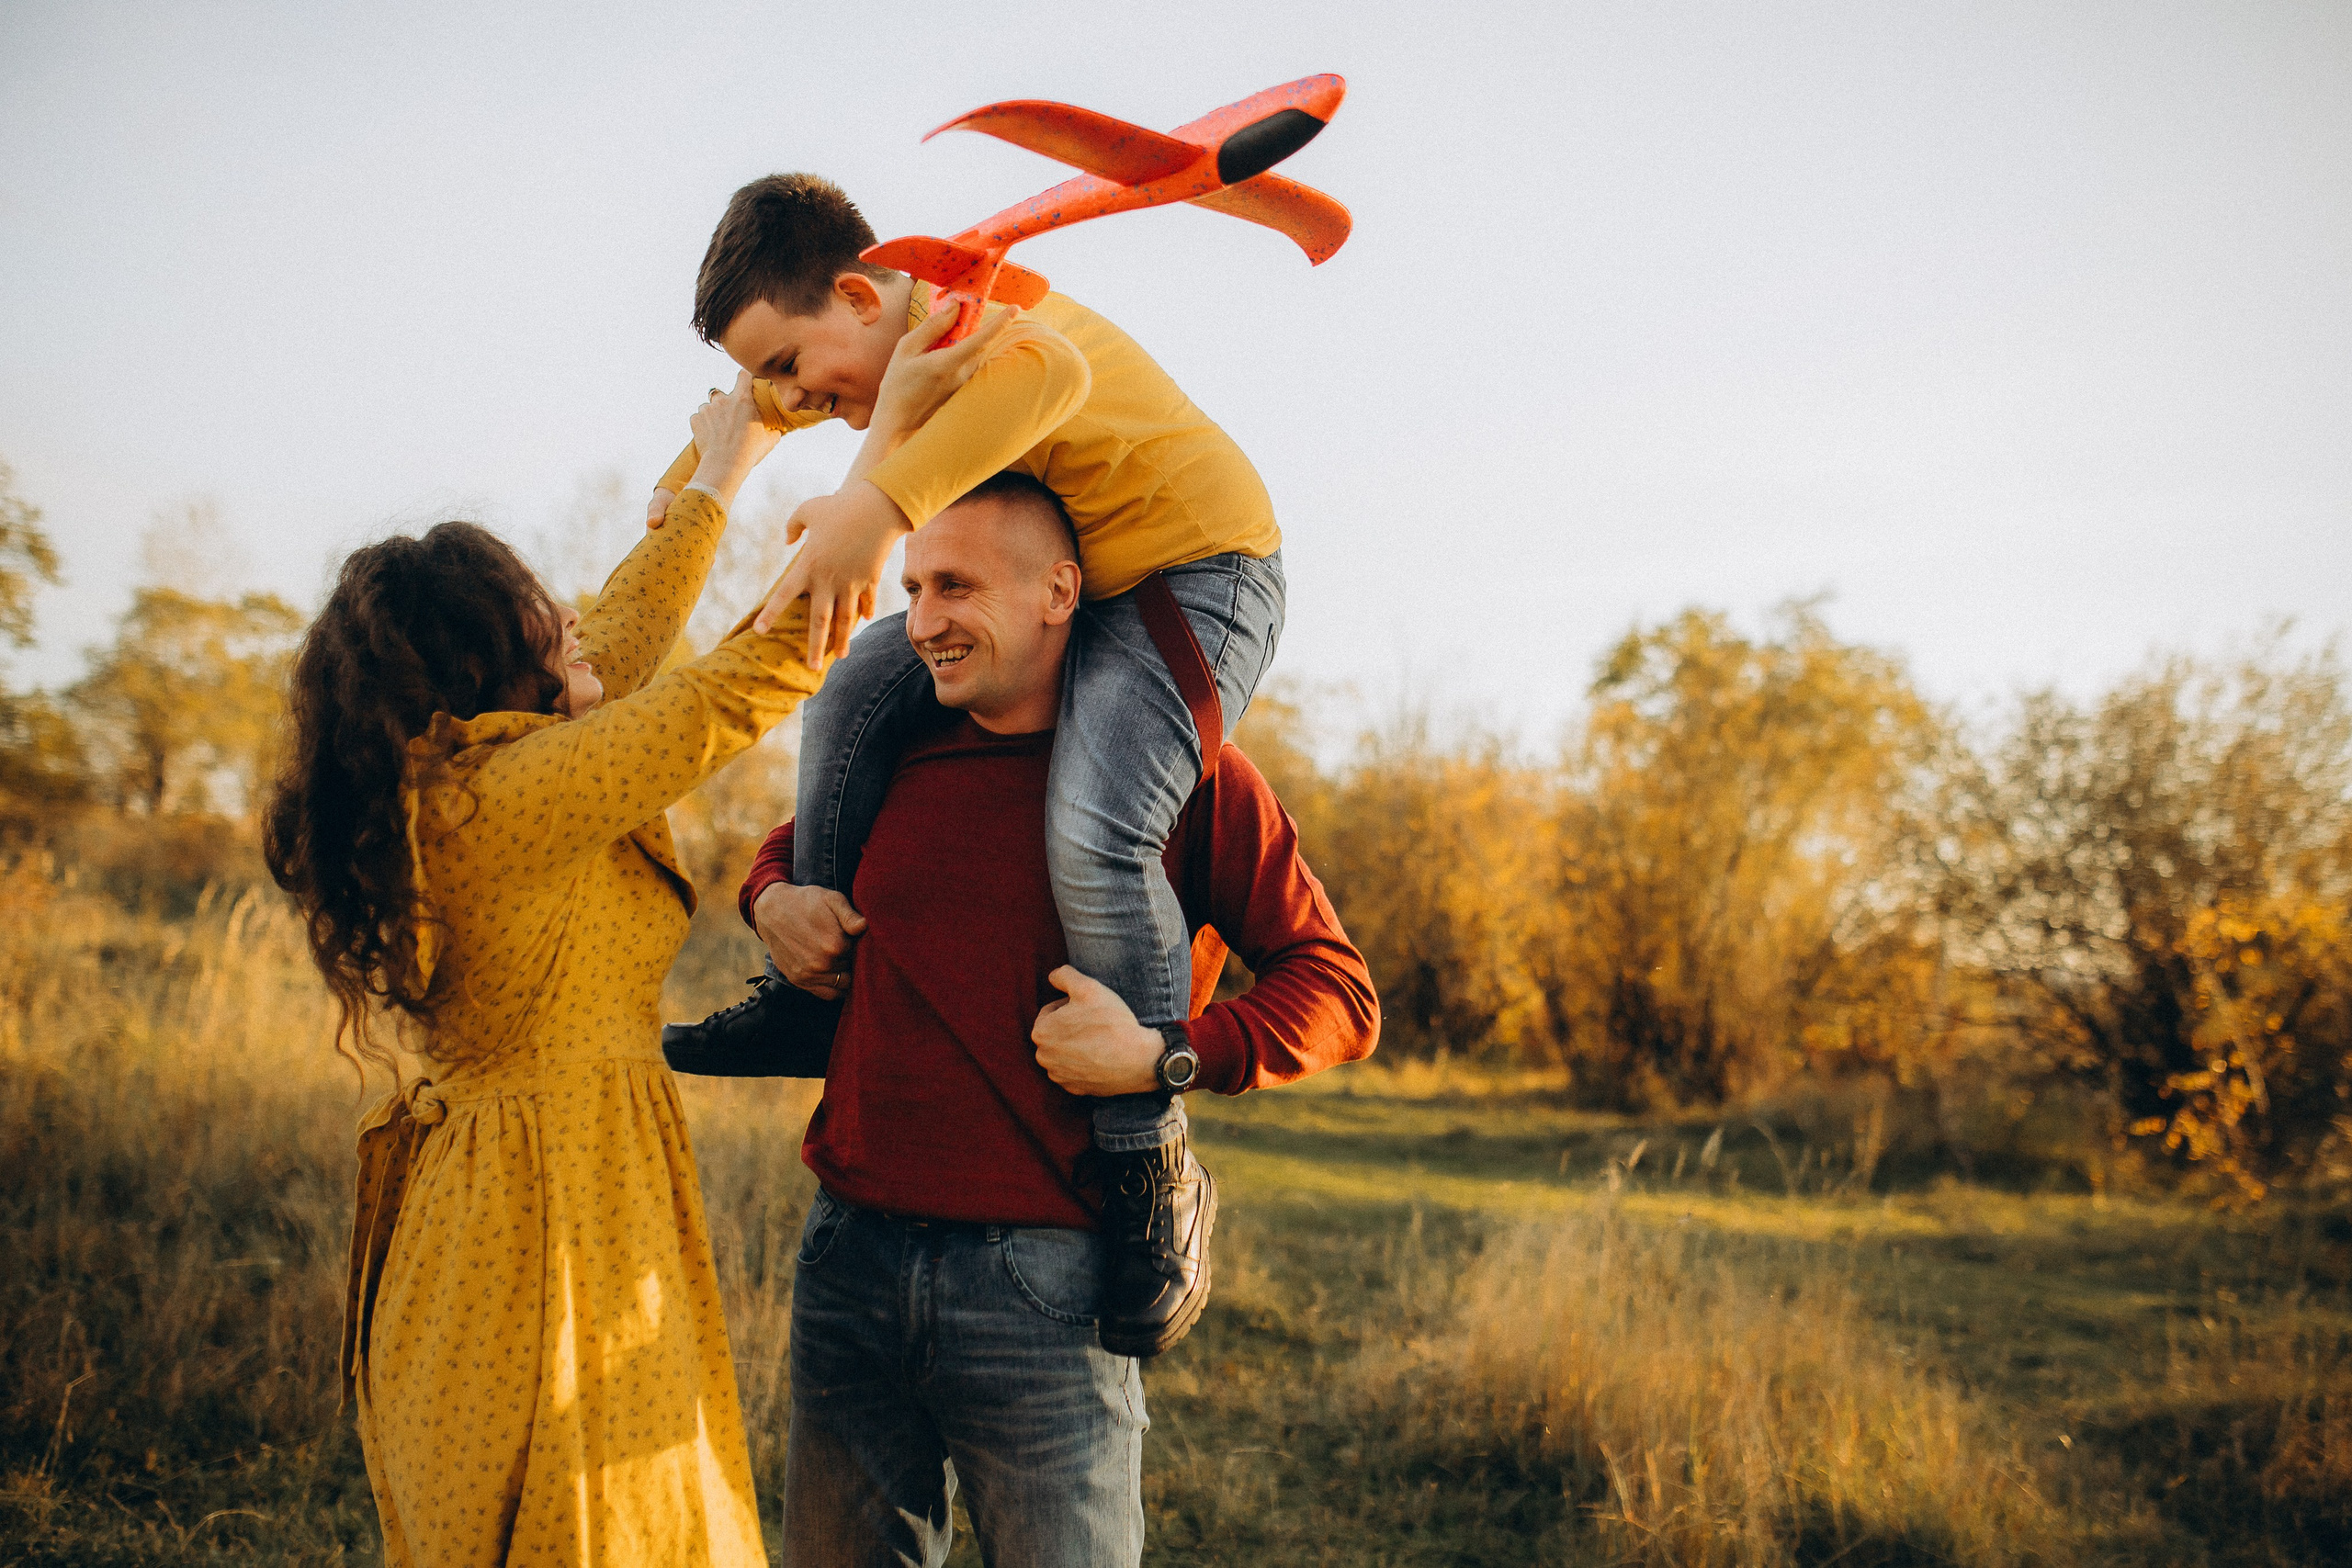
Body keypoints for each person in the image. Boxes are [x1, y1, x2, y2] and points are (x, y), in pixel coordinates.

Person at [260, 333, 993, 1564]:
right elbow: (732, 685)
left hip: (560, 1175)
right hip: (533, 1215)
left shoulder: (484, 757)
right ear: (496, 669)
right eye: (547, 633)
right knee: (588, 1524)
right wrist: (880, 489)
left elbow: (625, 632)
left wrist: (727, 455)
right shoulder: (497, 795)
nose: (574, 644)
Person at [673, 471, 1376, 1567]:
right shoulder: (898, 744)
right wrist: (774, 897)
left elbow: (1335, 989)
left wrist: (1164, 1055)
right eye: (912, 589)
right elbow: (792, 841)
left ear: (1059, 591)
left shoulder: (1187, 779)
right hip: (848, 1255)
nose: (924, 622)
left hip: (1048, 1283)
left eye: (955, 587)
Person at [658, 174, 1289, 1355]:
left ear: (860, 291)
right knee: (853, 688)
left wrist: (875, 508)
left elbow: (1054, 380)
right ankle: (814, 995)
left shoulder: (965, 312)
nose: (797, 395)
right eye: (776, 381)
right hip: (1067, 589)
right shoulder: (889, 347)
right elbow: (815, 384)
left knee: (1096, 828)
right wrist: (727, 441)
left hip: (1193, 570)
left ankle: (1147, 1165)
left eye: (794, 363)